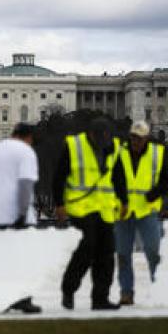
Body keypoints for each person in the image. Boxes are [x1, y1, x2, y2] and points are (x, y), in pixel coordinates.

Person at [53, 118, 127, 311]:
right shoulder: (74, 146)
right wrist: (59, 204)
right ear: (91, 134)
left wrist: (124, 201)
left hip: (105, 208)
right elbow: (59, 176)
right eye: (100, 138)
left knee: (107, 253)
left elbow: (119, 177)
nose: (104, 142)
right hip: (81, 207)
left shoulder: (114, 147)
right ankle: (68, 291)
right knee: (87, 250)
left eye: (106, 139)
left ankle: (100, 298)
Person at [0, 123, 42, 314]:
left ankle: (0, 300)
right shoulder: (25, 152)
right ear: (29, 137)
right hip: (13, 214)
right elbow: (25, 184)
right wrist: (22, 213)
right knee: (23, 261)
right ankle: (22, 300)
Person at [112, 121, 168, 305]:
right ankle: (126, 293)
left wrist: (155, 193)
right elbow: (116, 178)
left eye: (139, 138)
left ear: (146, 138)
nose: (136, 141)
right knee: (123, 254)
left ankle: (158, 289)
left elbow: (166, 179)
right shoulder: (120, 152)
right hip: (124, 210)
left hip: (147, 210)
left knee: (152, 252)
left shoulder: (159, 153)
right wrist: (124, 200)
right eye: (133, 137)